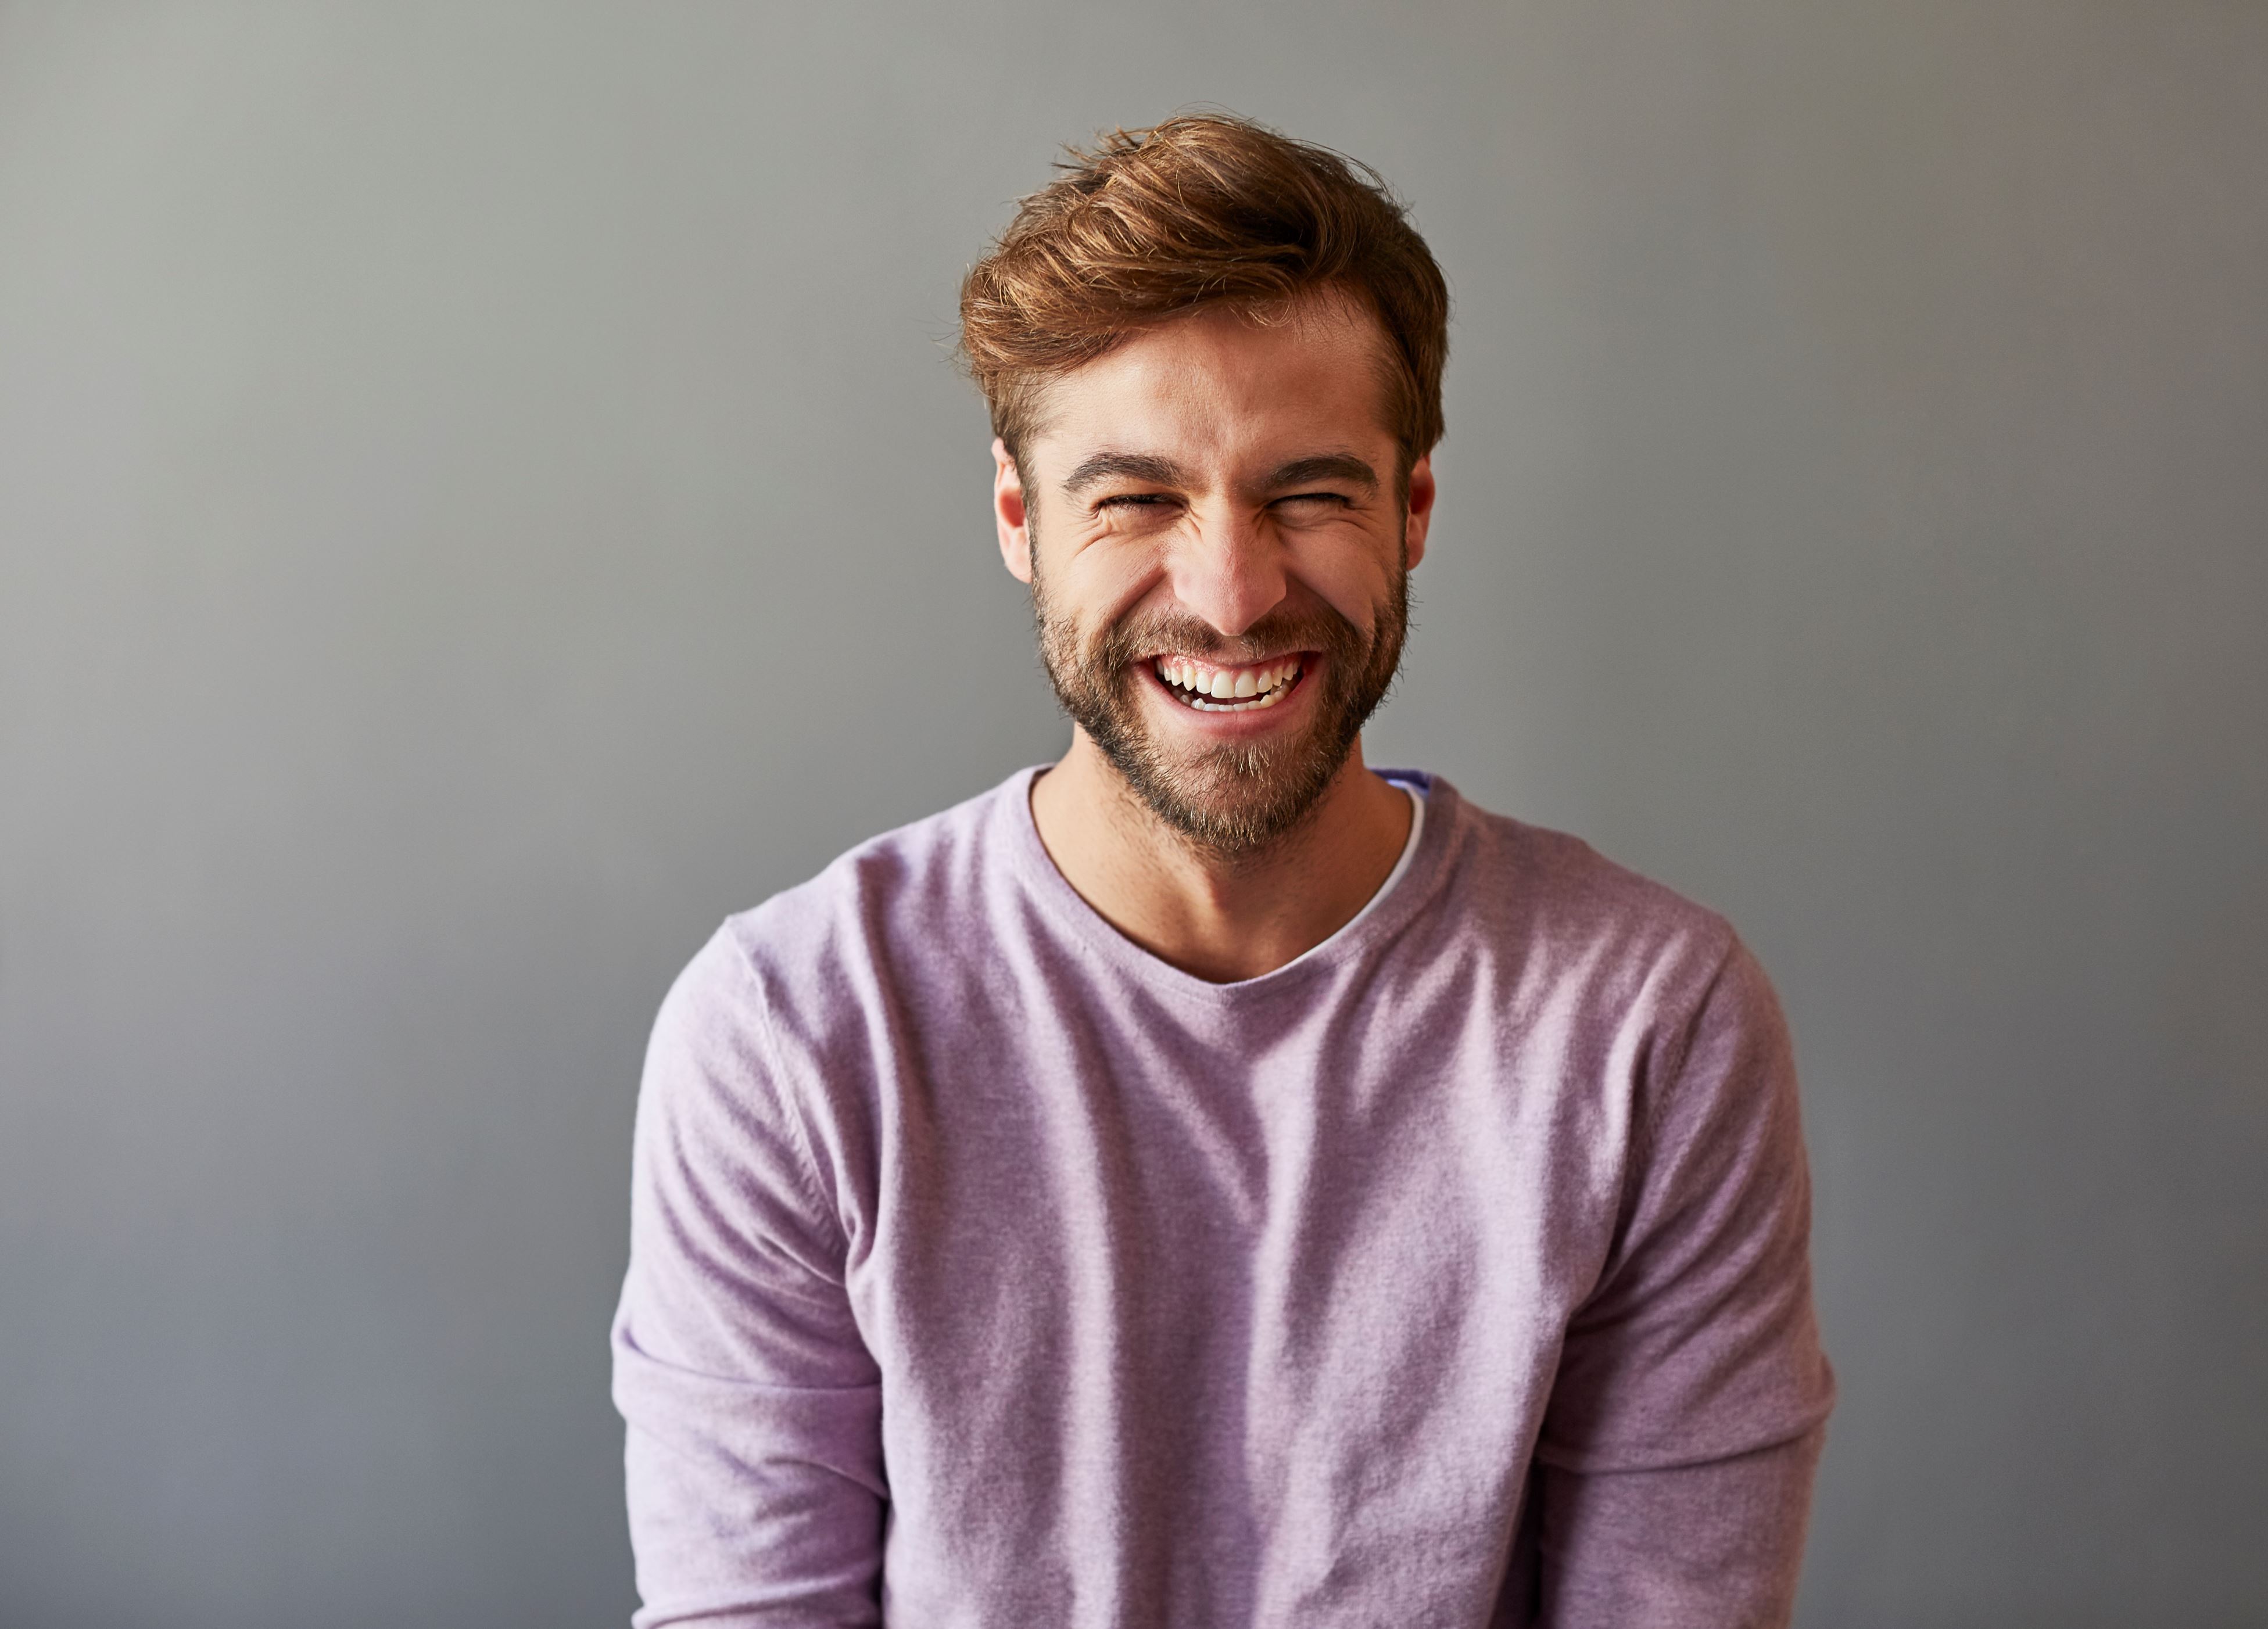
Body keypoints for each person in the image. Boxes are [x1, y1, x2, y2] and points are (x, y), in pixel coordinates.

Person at [611, 113, 1834, 1628]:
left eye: (1308, 492)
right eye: (1136, 499)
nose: (1232, 592)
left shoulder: (1651, 1024)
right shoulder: (793, 1035)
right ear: (1020, 520)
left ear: (1414, 510)